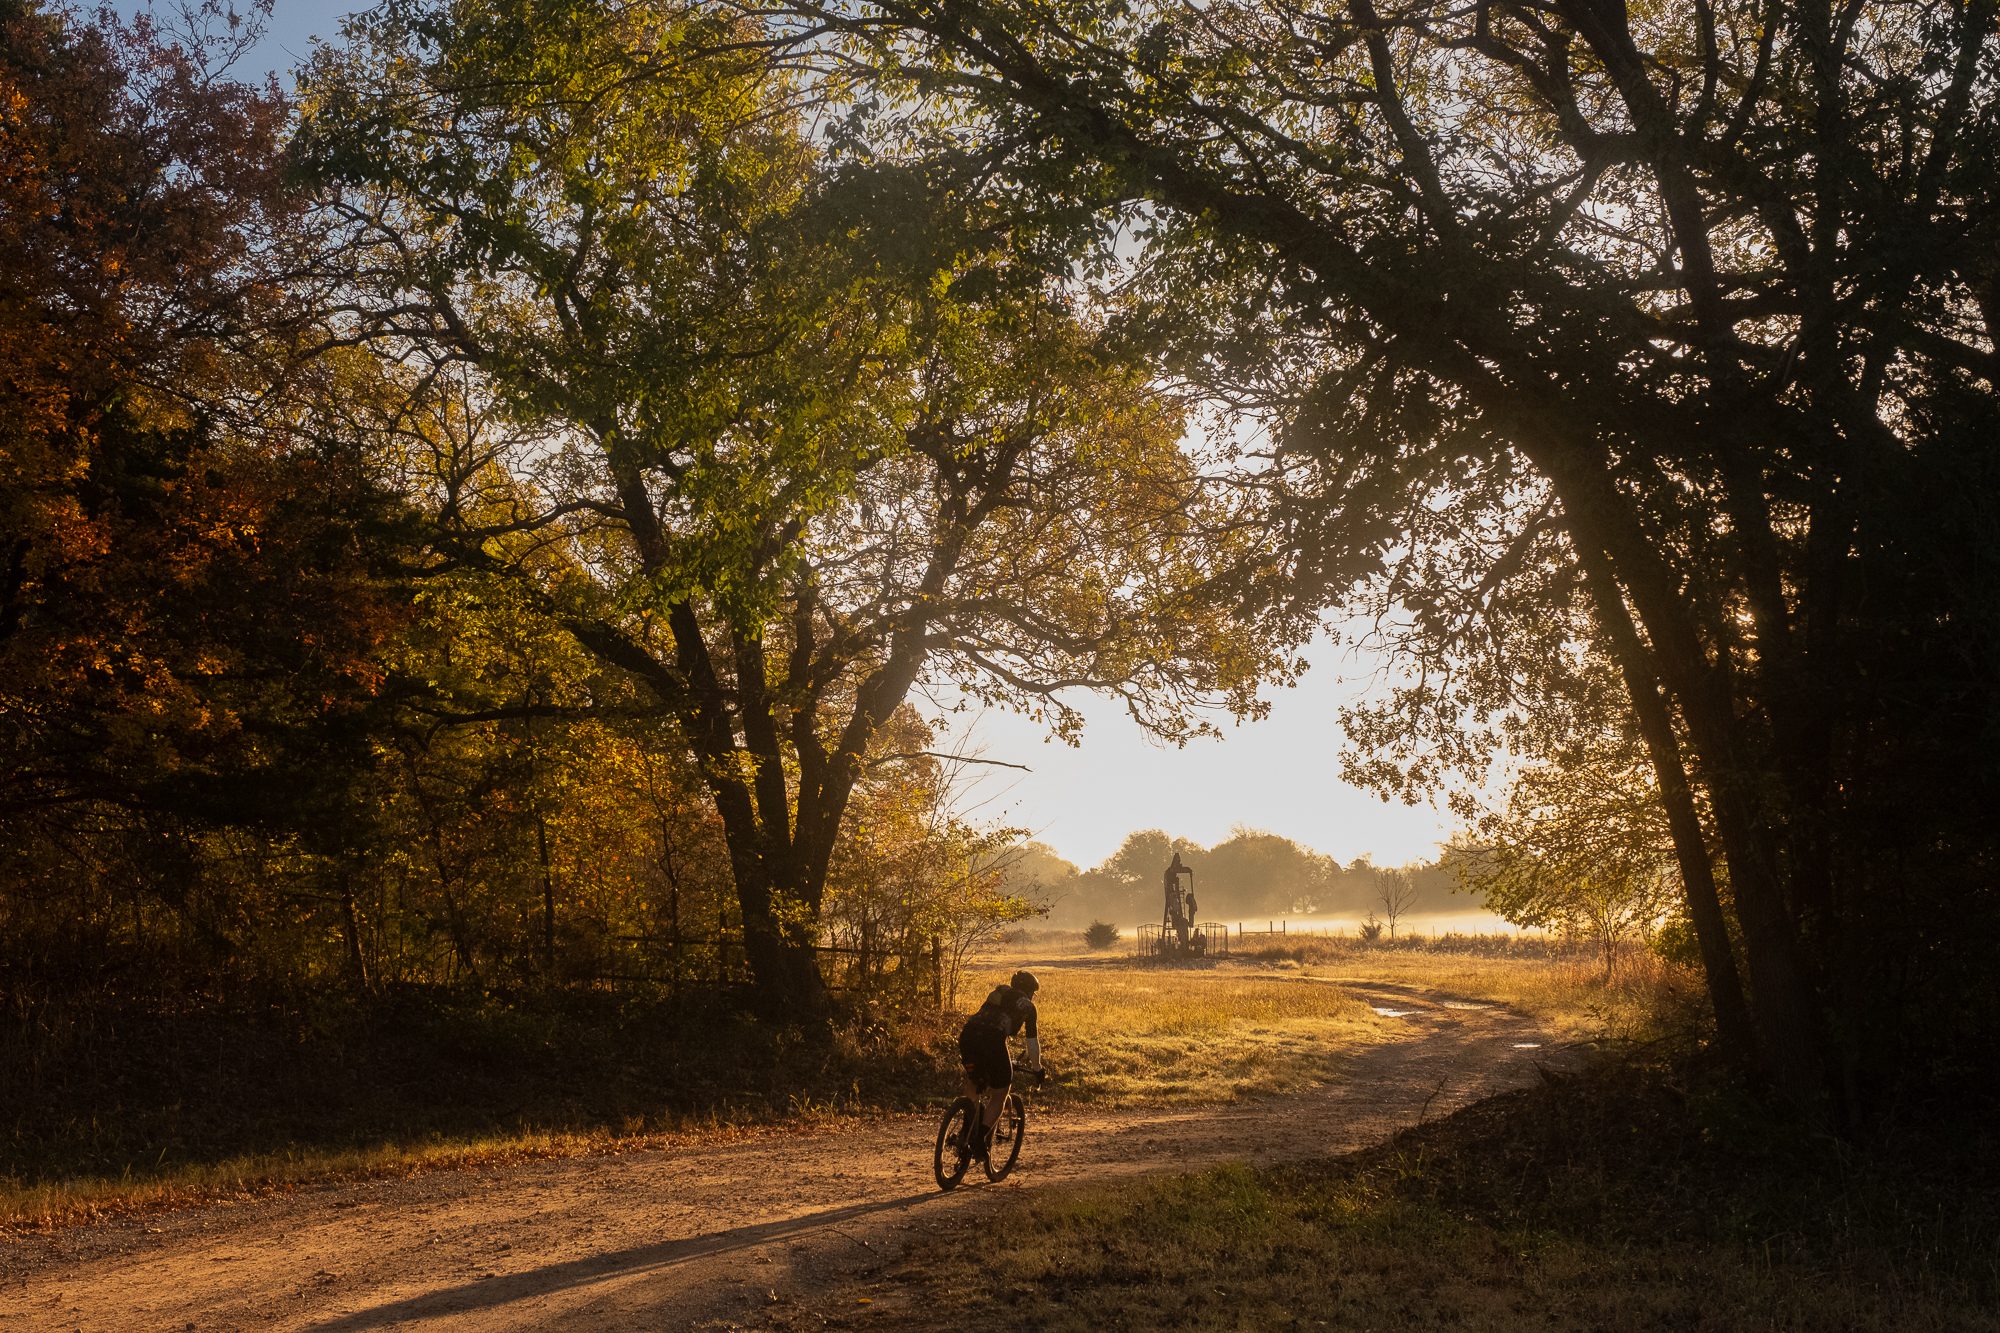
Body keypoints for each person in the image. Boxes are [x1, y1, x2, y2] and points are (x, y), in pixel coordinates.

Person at [956, 969, 1044, 1158]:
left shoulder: (999, 992)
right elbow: (1032, 1043)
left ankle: (966, 1129)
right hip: (992, 1041)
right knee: (1000, 1093)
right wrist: (1037, 1069)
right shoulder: (1028, 1006)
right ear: (1030, 992)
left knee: (974, 1080)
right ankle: (979, 1142)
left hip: (968, 1036)